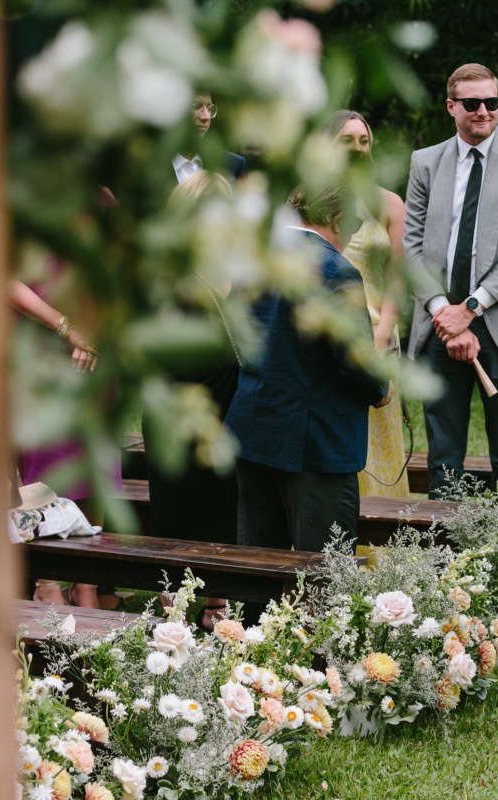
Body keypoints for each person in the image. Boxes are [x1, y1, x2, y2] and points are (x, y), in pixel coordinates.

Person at [404, 63, 498, 498]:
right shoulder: (425, 163)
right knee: (442, 459)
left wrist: (468, 311)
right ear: (451, 106)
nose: (484, 111)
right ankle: (443, 562)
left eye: (492, 101)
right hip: (438, 322)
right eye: (472, 103)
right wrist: (442, 313)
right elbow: (411, 248)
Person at [225, 184, 390, 554]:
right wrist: (382, 389)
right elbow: (354, 360)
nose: (350, 238)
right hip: (316, 442)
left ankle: (249, 617)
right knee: (325, 570)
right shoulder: (337, 272)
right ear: (335, 219)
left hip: (254, 429)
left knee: (257, 560)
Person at [140, 171, 239, 629]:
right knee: (177, 512)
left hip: (229, 414)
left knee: (224, 507)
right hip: (177, 414)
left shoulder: (239, 268)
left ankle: (218, 606)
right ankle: (173, 613)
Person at [10, 277, 117, 610]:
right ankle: (47, 581)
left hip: (94, 335)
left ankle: (86, 583)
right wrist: (66, 327)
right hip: (38, 335)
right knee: (45, 459)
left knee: (94, 456)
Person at [332, 110, 411, 497]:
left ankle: (381, 552)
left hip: (379, 335)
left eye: (364, 141)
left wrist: (381, 337)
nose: (358, 148)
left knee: (378, 447)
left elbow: (398, 280)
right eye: (347, 140)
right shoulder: (303, 201)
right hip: (327, 336)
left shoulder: (389, 203)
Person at [172, 93, 247, 185]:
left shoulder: (233, 165)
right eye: (196, 106)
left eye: (210, 108)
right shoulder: (152, 167)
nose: (206, 117)